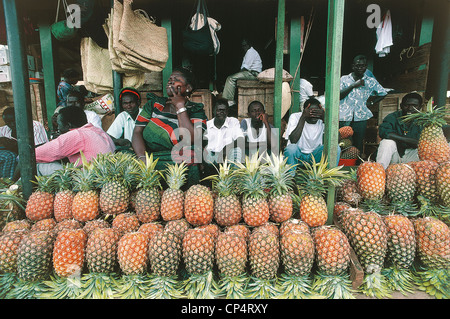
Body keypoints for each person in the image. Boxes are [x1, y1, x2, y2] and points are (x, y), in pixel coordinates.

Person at [132, 67, 208, 187]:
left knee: (192, 157)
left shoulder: (195, 110)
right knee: (123, 156)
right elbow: (137, 131)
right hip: (148, 155)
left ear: (188, 88)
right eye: (170, 79)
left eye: (176, 79)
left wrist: (180, 106)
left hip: (176, 159)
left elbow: (192, 139)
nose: (170, 82)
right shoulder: (155, 104)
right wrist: (142, 156)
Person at [35, 106, 115, 175]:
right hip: (106, 178)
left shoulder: (77, 134)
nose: (58, 128)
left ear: (68, 125)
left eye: (59, 125)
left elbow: (39, 153)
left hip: (88, 180)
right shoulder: (96, 130)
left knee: (39, 166)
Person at [339, 54, 388, 154]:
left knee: (358, 143)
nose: (360, 68)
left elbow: (383, 93)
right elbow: (338, 96)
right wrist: (353, 85)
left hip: (360, 117)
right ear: (353, 66)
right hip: (343, 116)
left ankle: (356, 165)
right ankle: (339, 163)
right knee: (341, 142)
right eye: (358, 66)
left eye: (363, 66)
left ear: (366, 67)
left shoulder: (370, 81)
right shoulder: (344, 79)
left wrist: (371, 102)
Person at [283, 97, 341, 170]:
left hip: (315, 156)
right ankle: (290, 177)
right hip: (299, 156)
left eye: (316, 113)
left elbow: (336, 141)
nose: (313, 116)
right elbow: (293, 140)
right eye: (311, 113)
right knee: (291, 148)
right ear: (304, 111)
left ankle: (330, 177)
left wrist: (325, 120)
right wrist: (303, 117)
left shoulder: (322, 118)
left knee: (336, 147)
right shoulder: (295, 117)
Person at [376, 92, 423, 169]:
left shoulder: (424, 121)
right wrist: (408, 140)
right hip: (395, 155)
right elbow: (383, 132)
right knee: (387, 142)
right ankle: (380, 172)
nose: (410, 109)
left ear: (420, 107)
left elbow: (422, 144)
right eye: (406, 105)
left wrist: (395, 136)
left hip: (414, 156)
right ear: (401, 106)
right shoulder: (393, 117)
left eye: (414, 106)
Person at [0, 107, 49, 179]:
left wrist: (16, 146)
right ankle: (7, 183)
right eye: (8, 123)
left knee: (21, 158)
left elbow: (35, 151)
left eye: (14, 120)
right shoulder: (4, 130)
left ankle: (12, 181)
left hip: (38, 160)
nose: (12, 124)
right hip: (17, 161)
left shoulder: (35, 126)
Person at [204, 98, 244, 169]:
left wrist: (226, 148)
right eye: (219, 110)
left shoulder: (233, 122)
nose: (221, 112)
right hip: (212, 157)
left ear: (227, 112)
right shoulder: (208, 125)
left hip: (227, 156)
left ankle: (235, 177)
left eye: (224, 110)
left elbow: (241, 139)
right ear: (214, 111)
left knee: (238, 150)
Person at [222, 38, 263, 106]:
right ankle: (229, 99)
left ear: (249, 45)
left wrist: (238, 74)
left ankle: (229, 100)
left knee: (231, 78)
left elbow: (245, 68)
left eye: (245, 45)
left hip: (253, 74)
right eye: (243, 45)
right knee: (233, 77)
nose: (244, 47)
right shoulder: (249, 52)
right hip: (250, 73)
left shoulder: (250, 52)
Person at [107, 87, 142, 152]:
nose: (128, 106)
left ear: (138, 102)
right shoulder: (123, 116)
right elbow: (109, 137)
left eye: (131, 102)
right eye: (125, 103)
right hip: (131, 151)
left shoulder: (145, 115)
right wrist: (119, 141)